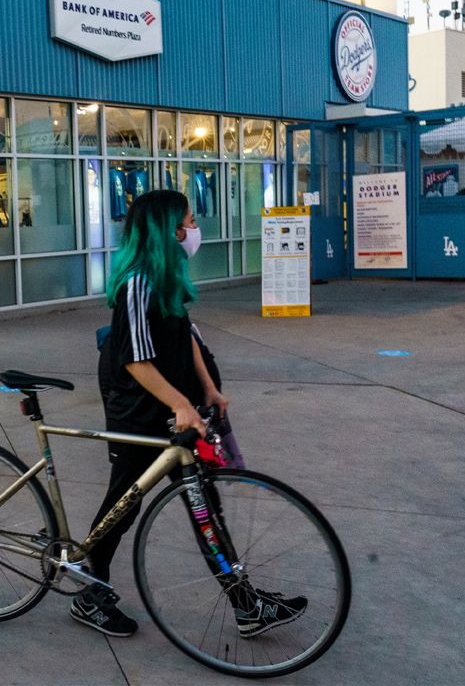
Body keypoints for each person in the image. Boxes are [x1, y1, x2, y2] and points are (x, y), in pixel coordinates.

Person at [73, 189, 301, 639]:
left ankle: (244, 604)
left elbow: (187, 337)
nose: (193, 230)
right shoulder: (137, 281)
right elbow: (136, 359)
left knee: (205, 507)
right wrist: (179, 404)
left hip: (180, 413)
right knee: (124, 504)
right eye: (188, 222)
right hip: (139, 413)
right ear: (166, 230)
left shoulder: (168, 275)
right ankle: (87, 590)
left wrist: (209, 390)